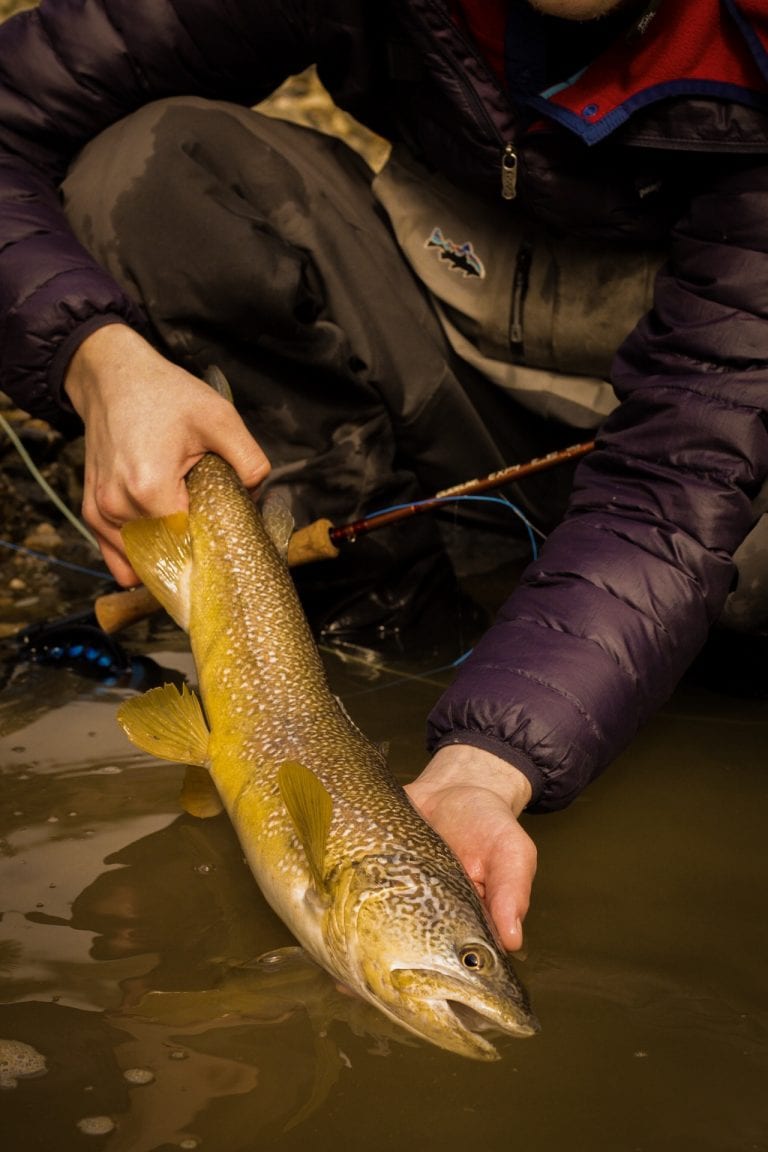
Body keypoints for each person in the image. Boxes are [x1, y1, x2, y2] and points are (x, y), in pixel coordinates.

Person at [2, 0, 768, 956]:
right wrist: (95, 356)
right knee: (152, 170)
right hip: (446, 349)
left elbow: (682, 476)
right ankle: (384, 621)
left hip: (708, 445)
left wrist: (489, 764)